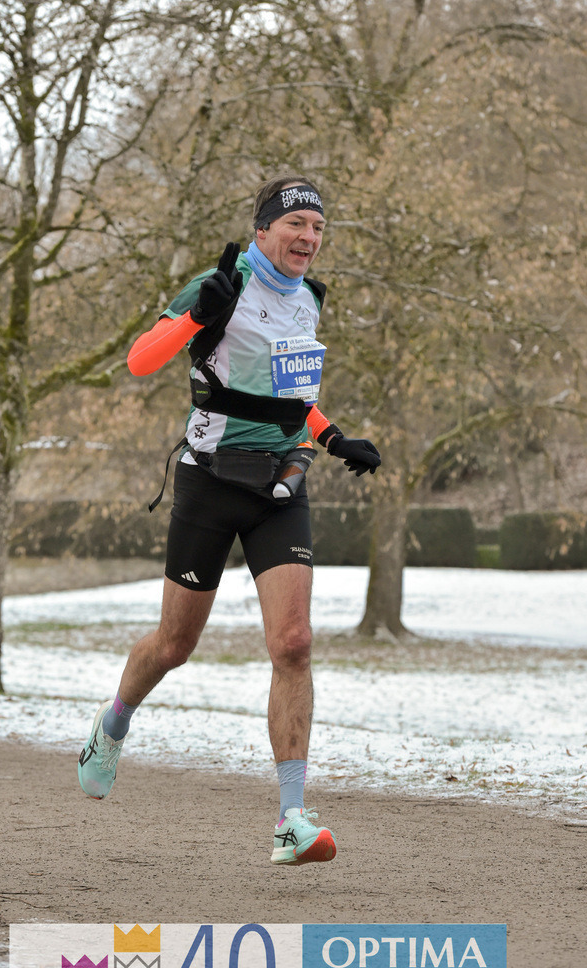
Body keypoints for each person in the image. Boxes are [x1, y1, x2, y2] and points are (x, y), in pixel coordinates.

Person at [78, 174, 381, 866]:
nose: (309, 238)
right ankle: (113, 723)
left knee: (294, 643)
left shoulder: (307, 301)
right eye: (297, 223)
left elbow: (287, 395)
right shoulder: (219, 284)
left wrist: (332, 436)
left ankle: (290, 819)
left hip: (280, 483)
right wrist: (194, 317)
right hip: (210, 481)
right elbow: (138, 362)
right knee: (174, 645)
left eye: (319, 228)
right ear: (264, 228)